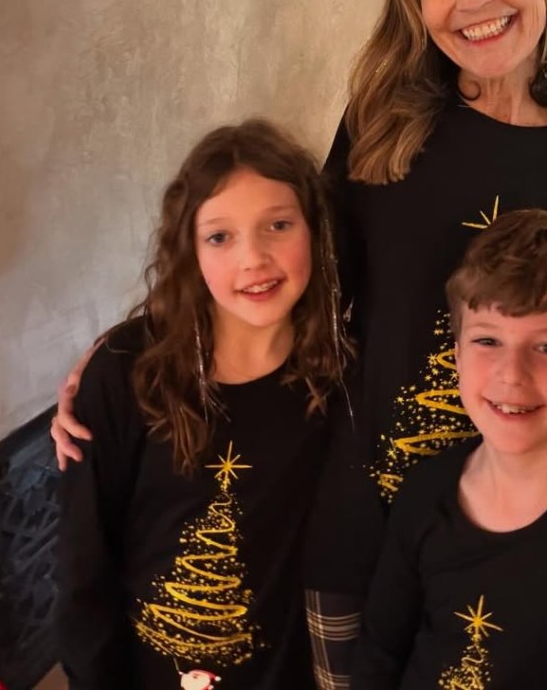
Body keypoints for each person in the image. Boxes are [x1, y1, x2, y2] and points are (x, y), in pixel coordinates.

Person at [52, 0, 547, 687]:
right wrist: (129, 355)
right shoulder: (390, 120)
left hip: (499, 537)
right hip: (353, 530)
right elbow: (286, 265)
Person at [56, 119, 350, 689]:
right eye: (220, 236)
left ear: (315, 230)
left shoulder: (340, 375)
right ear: (188, 249)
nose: (254, 258)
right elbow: (83, 568)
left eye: (279, 225)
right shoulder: (125, 372)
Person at [352, 209, 547, 689]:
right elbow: (378, 658)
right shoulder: (426, 493)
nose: (511, 374)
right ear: (456, 352)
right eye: (487, 340)